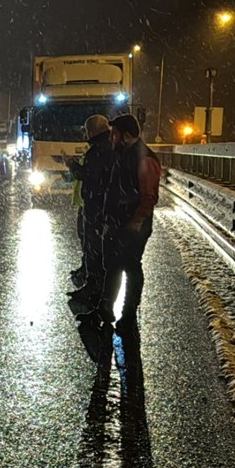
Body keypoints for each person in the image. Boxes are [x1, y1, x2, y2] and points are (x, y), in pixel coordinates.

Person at [78, 114, 161, 339]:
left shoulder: (144, 159)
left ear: (125, 135)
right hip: (116, 223)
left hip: (133, 226)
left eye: (114, 134)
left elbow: (148, 196)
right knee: (113, 265)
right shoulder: (121, 154)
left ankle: (127, 316)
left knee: (131, 267)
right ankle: (105, 311)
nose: (111, 137)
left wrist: (135, 223)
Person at [64, 114, 114, 305]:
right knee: (96, 248)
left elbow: (87, 175)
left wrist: (71, 164)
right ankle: (98, 288)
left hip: (96, 207)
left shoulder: (98, 151)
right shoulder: (110, 147)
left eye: (86, 130)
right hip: (103, 206)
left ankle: (95, 290)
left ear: (93, 131)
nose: (85, 134)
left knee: (93, 248)